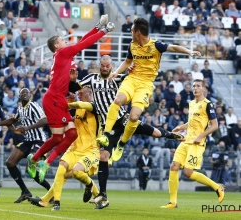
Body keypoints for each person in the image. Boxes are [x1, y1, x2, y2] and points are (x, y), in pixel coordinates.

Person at [69, 55, 183, 209]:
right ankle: (103, 196)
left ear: (112, 65)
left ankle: (172, 135)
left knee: (155, 133)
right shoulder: (91, 78)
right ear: (99, 66)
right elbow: (74, 88)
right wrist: (72, 80)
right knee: (103, 156)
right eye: (102, 65)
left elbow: (132, 82)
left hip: (123, 119)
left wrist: (131, 71)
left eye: (107, 66)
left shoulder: (117, 78)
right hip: (109, 127)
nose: (104, 68)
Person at [27, 15, 115, 183]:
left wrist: (97, 27)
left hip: (59, 98)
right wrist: (105, 31)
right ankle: (41, 160)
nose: (66, 42)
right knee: (60, 137)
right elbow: (84, 44)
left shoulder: (66, 56)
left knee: (69, 135)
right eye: (63, 40)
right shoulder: (62, 53)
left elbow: (82, 41)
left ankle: (37, 159)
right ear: (56, 45)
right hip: (53, 98)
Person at [98, 18, 201, 162]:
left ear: (137, 32)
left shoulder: (156, 45)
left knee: (134, 117)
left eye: (132, 30)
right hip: (131, 79)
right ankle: (106, 135)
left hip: (145, 85)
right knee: (117, 100)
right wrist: (116, 72)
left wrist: (189, 51)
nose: (131, 32)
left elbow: (174, 47)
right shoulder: (132, 45)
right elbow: (128, 62)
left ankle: (121, 144)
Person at [28, 88, 101, 211]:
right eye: (78, 93)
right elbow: (64, 113)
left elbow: (78, 104)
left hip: (90, 150)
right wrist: (66, 102)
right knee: (61, 169)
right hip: (74, 148)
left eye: (81, 93)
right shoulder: (77, 110)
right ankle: (52, 202)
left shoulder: (94, 106)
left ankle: (93, 191)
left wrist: (66, 102)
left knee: (77, 172)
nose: (78, 94)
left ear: (90, 93)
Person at [161, 79, 225, 208]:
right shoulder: (191, 103)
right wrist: (181, 127)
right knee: (174, 166)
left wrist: (201, 136)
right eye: (193, 86)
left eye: (198, 86)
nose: (195, 88)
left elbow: (215, 126)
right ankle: (173, 202)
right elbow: (192, 122)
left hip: (197, 143)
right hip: (186, 140)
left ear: (203, 89)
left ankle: (217, 187)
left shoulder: (208, 104)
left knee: (187, 173)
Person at [0, 88, 51, 203]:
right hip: (28, 140)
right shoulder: (20, 109)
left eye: (27, 93)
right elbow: (10, 121)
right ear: (19, 96)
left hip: (39, 140)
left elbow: (45, 121)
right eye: (22, 93)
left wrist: (27, 128)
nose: (24, 94)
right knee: (10, 163)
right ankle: (25, 191)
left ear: (30, 95)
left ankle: (51, 192)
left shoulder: (34, 106)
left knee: (31, 169)